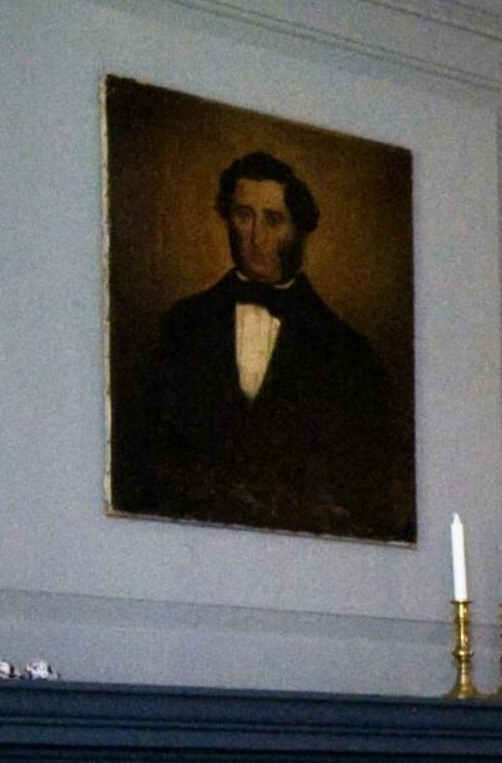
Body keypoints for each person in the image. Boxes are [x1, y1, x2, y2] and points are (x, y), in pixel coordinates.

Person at [111, 149, 412, 540]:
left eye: (273, 220)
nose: (255, 238)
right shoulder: (183, 325)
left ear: (300, 229)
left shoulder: (348, 353)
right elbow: (146, 458)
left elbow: (366, 493)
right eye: (243, 215)